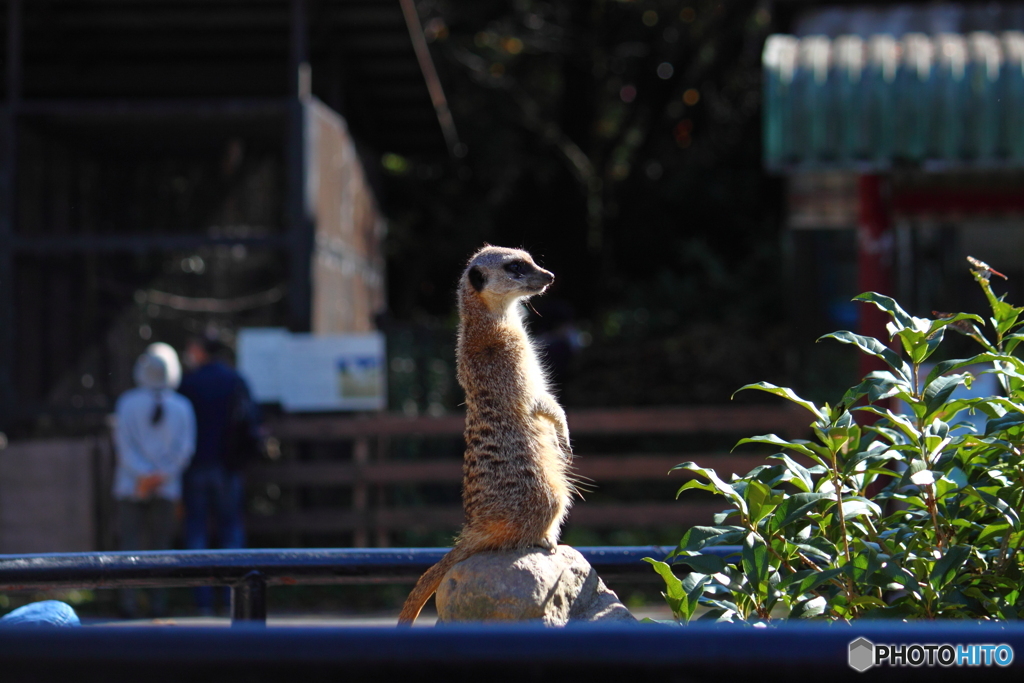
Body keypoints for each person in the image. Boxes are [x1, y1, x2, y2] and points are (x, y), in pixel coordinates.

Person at [178, 335, 261, 614]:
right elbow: (251, 421)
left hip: (195, 466)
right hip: (228, 468)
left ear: (200, 350)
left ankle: (201, 600)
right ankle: (232, 600)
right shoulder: (235, 380)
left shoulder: (188, 383)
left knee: (197, 532)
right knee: (230, 532)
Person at [113, 343, 196, 618]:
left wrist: (144, 475)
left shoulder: (127, 403)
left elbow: (124, 448)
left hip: (131, 486)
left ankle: (130, 603)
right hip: (166, 487)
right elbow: (185, 449)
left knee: (130, 545)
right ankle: (158, 602)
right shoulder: (182, 406)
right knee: (161, 547)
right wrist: (162, 474)